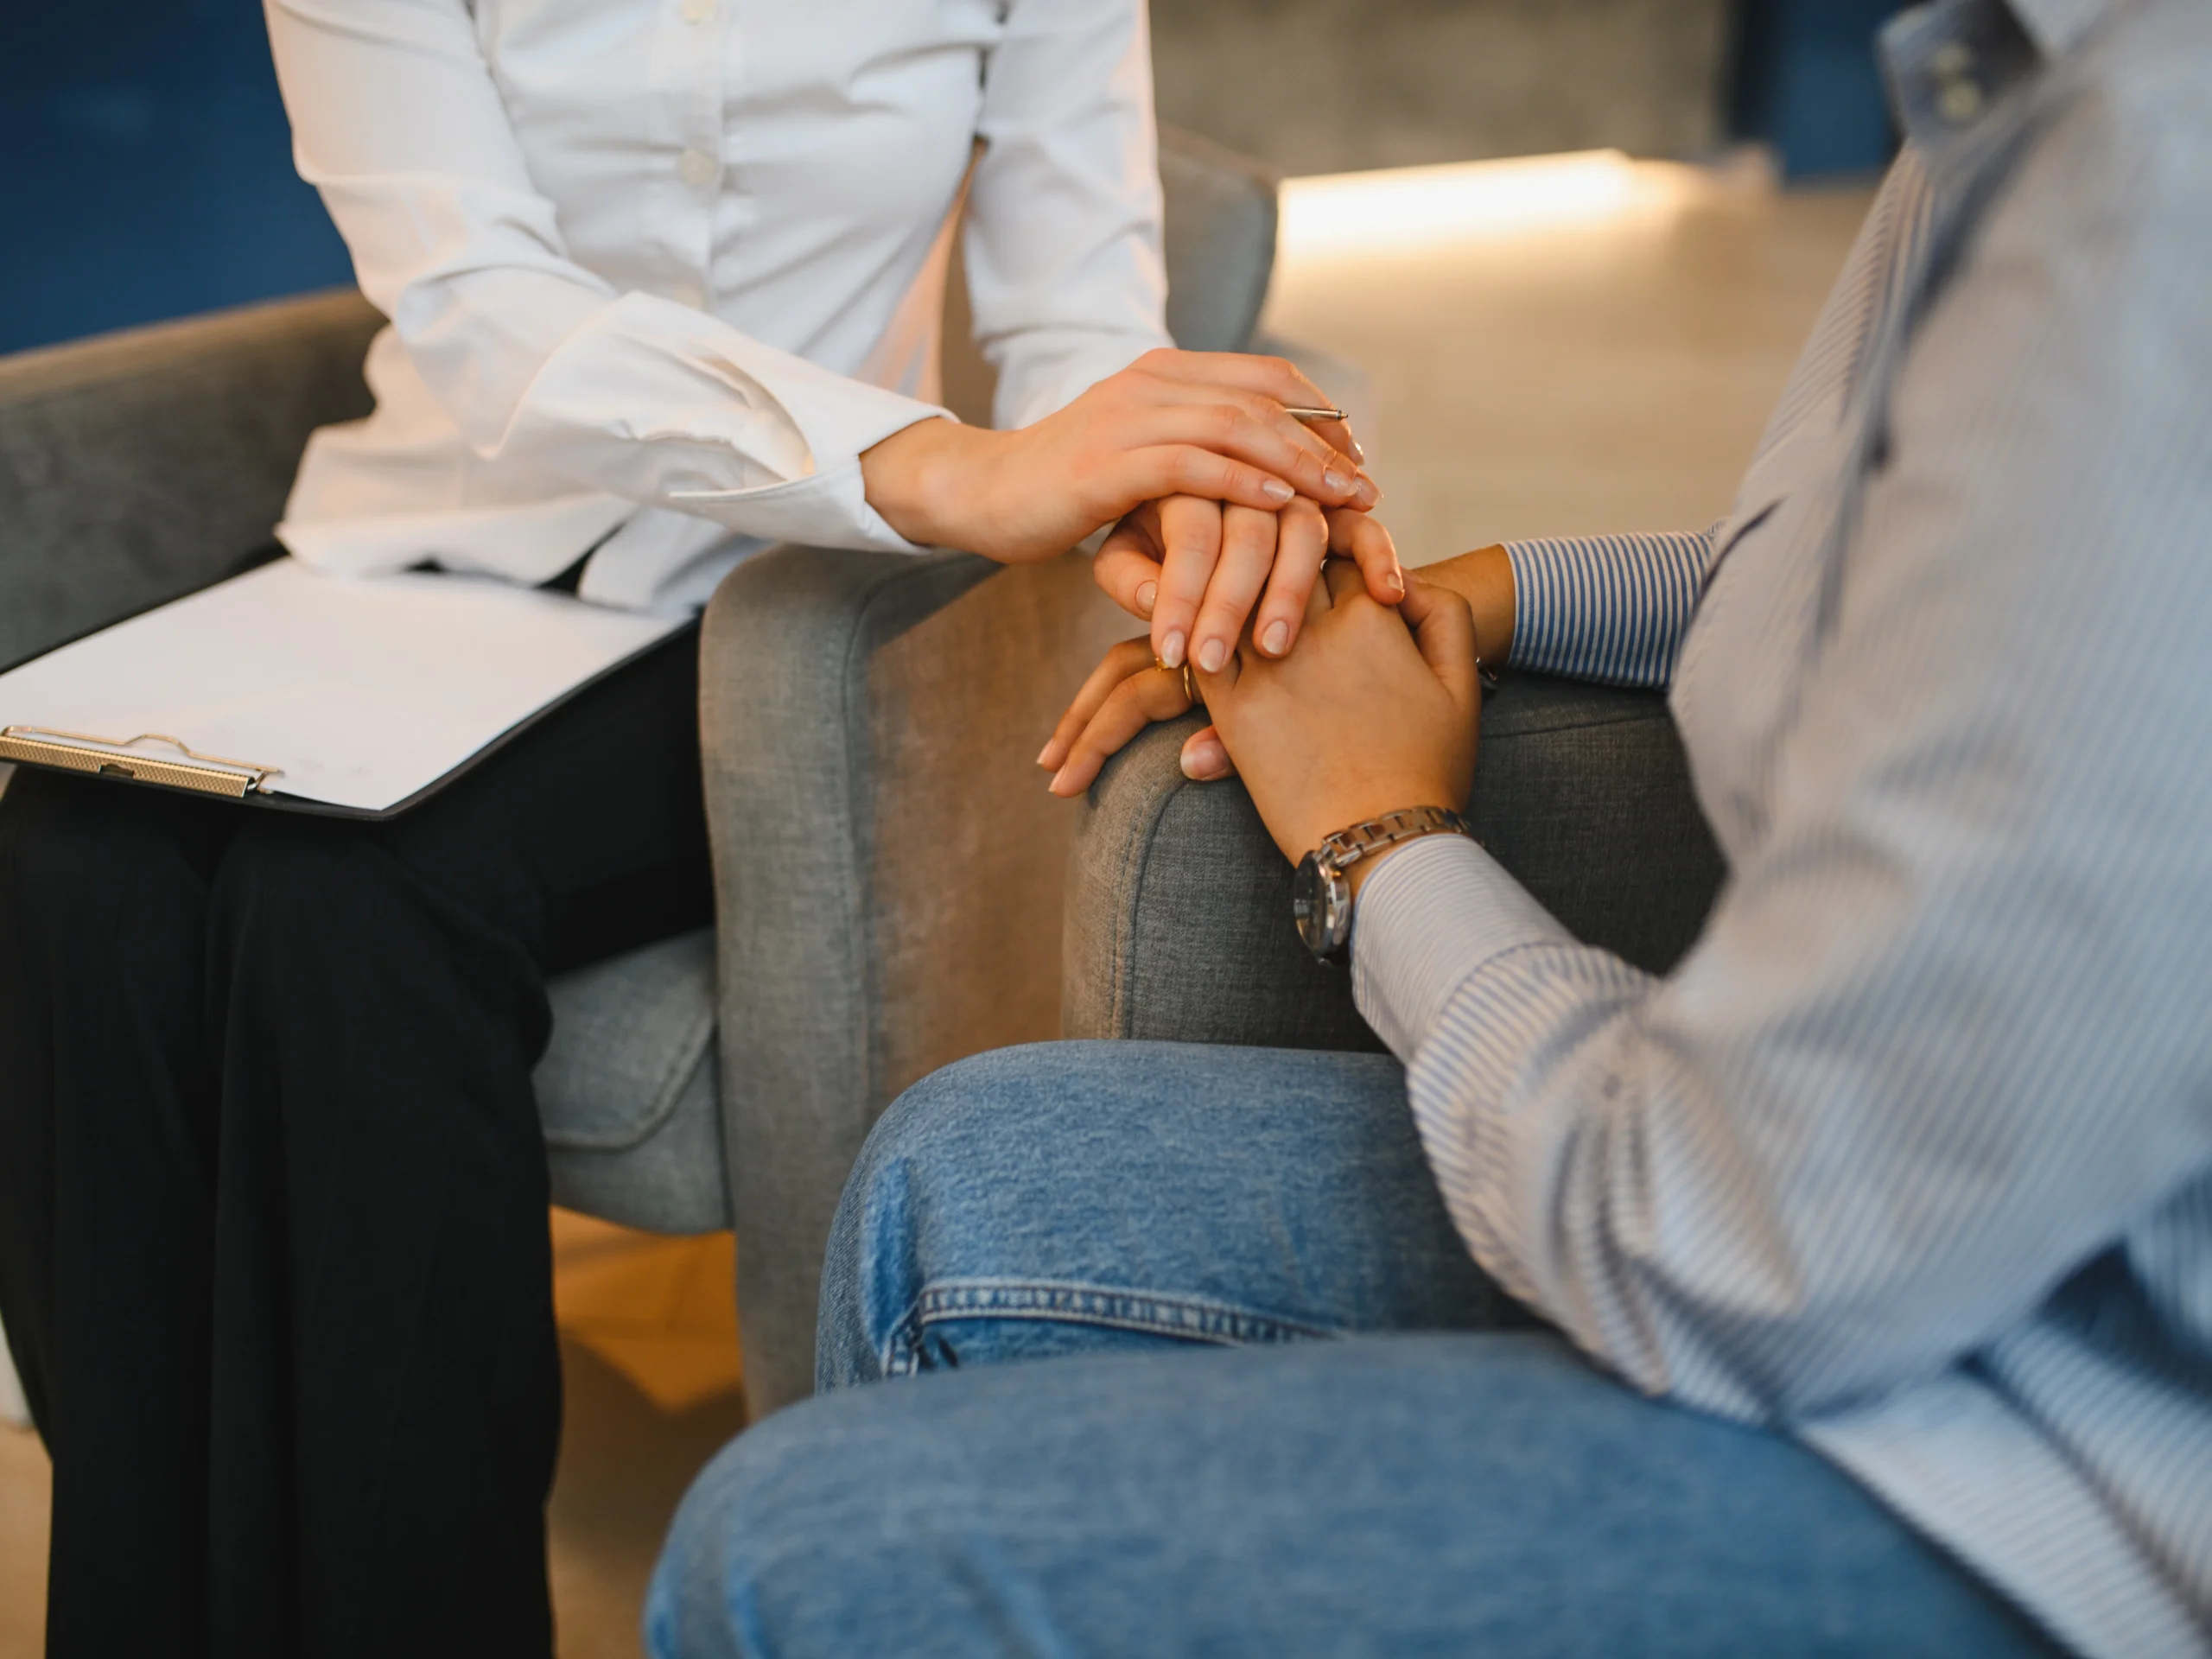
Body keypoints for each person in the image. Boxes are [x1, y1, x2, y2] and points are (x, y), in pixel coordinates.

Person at [646, 0, 2212, 1654]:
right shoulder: (2015, 100)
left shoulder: (2148, 194)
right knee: (949, 1179)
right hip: (1889, 1240)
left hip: (2064, 1448)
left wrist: (1378, 838)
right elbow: (1941, 588)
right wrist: (1488, 594)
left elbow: (1752, 1245)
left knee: (779, 1546)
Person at [0, 2, 1390, 1655]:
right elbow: (475, 300)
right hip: (423, 555)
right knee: (66, 860)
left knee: (349, 909)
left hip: (768, 611)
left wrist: (1159, 472)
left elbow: (1079, 319)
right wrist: (931, 460)